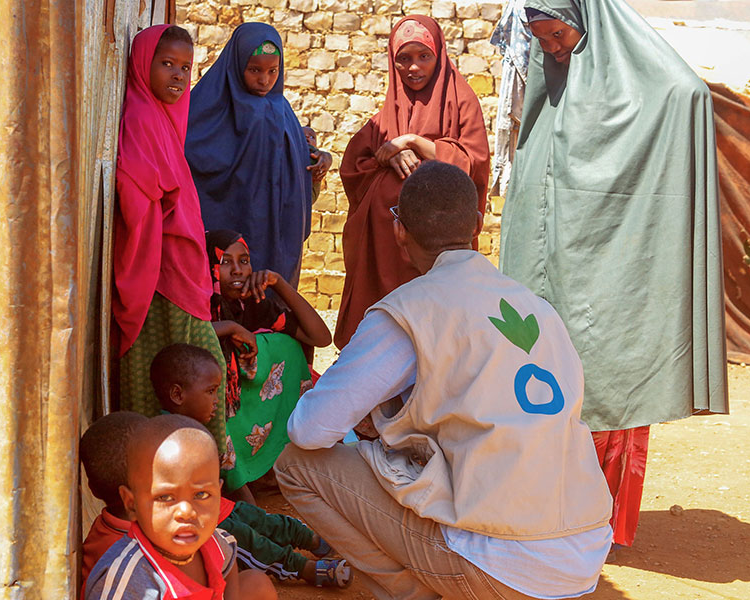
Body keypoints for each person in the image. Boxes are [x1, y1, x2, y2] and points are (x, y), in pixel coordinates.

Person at [275, 161, 613, 600]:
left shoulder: (411, 310)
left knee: (296, 464)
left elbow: (311, 430)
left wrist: (346, 411)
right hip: (582, 556)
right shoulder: (539, 309)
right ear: (476, 225)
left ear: (399, 231)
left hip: (500, 565)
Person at [500, 0, 728, 549]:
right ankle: (547, 518)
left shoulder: (635, 79)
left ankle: (597, 524)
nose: (551, 47)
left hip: (611, 275)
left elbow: (689, 92)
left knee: (608, 389)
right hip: (549, 268)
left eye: (557, 35)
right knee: (541, 389)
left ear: (585, 18)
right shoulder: (545, 84)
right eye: (541, 38)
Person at [334, 15, 491, 349]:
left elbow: (474, 163)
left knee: (434, 334)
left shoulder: (460, 101)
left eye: (424, 56)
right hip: (386, 250)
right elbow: (353, 165)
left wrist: (414, 142)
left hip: (437, 244)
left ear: (439, 56)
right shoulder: (389, 110)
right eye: (403, 58)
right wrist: (387, 157)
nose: (413, 67)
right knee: (389, 332)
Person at [112, 24, 228, 458]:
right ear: (143, 65)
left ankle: (201, 472)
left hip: (177, 263)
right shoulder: (142, 118)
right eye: (166, 64)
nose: (178, 76)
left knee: (190, 373)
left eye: (185, 67)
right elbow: (138, 186)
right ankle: (194, 469)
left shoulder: (165, 118)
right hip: (162, 271)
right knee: (193, 369)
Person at [150, 344, 352, 589]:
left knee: (262, 519)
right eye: (211, 392)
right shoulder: (165, 440)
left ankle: (312, 540)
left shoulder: (193, 429)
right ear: (178, 395)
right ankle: (305, 569)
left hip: (222, 507)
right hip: (209, 523)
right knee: (253, 544)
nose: (217, 401)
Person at [186, 22, 332, 285]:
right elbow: (189, 154)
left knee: (268, 296)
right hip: (228, 224)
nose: (264, 80)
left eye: (273, 71)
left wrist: (317, 159)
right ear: (237, 63)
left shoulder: (280, 110)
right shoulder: (210, 104)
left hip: (273, 231)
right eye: (255, 70)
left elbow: (296, 160)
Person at [83, 414, 277, 600]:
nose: (187, 511)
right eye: (166, 497)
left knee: (258, 584)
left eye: (201, 495)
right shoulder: (129, 579)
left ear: (218, 495)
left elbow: (228, 558)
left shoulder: (214, 542)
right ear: (131, 505)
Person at [205, 230, 331, 490]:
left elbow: (320, 336)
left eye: (244, 260)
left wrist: (279, 283)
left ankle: (269, 464)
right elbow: (193, 335)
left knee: (286, 346)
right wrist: (229, 327)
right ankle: (236, 476)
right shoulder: (199, 304)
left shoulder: (253, 303)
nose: (238, 270)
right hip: (218, 414)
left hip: (252, 410)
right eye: (225, 262)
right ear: (208, 265)